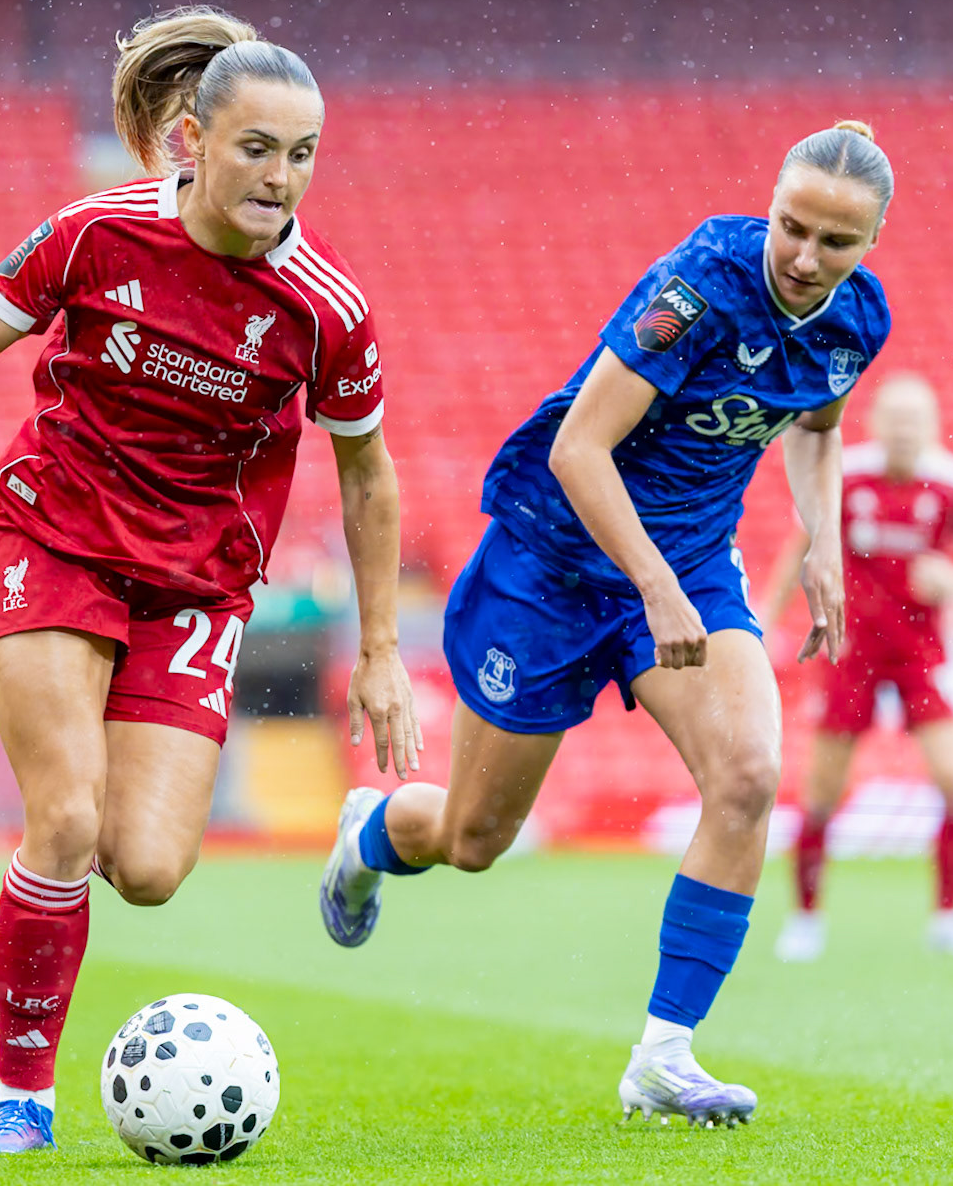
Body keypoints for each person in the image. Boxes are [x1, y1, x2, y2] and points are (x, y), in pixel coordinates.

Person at [0, 6, 422, 1154]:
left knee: (145, 868)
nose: (281, 177)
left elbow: (369, 477)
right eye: (258, 148)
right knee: (66, 813)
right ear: (194, 140)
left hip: (193, 585)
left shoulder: (327, 310)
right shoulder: (96, 233)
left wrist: (382, 651)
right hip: (50, 536)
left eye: (302, 154)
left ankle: (65, 878)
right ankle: (24, 1102)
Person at [320, 121, 894, 1126]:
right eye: (792, 228)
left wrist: (824, 541)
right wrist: (654, 586)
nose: (806, 257)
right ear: (770, 208)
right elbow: (579, 448)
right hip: (551, 559)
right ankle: (372, 832)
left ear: (872, 243)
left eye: (835, 242)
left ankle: (664, 1057)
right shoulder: (699, 289)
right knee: (473, 837)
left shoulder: (858, 319)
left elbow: (818, 427)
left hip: (692, 562)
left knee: (749, 776)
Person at [764, 373, 953, 962]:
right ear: (874, 422)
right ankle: (805, 918)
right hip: (852, 647)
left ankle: (949, 917)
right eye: (895, 419)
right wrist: (766, 618)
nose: (904, 430)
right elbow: (799, 545)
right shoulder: (845, 473)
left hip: (923, 651)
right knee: (823, 790)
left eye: (915, 420)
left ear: (933, 425)